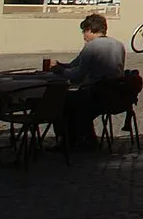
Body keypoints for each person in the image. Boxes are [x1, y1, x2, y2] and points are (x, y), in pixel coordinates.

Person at [45, 12, 126, 150]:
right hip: (116, 94)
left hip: (96, 94)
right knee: (74, 101)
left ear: (89, 30)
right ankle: (85, 137)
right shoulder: (118, 45)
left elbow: (77, 75)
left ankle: (67, 140)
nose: (84, 36)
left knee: (61, 102)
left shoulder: (92, 47)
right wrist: (62, 65)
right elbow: (75, 64)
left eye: (84, 32)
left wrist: (59, 70)